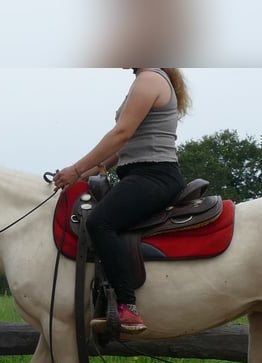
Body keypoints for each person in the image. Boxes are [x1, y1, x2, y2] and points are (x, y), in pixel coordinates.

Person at [53, 68, 190, 334]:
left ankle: (128, 305)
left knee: (100, 222)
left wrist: (77, 168)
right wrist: (79, 176)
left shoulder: (149, 79)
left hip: (154, 175)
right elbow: (121, 150)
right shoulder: (146, 80)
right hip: (140, 173)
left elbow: (121, 134)